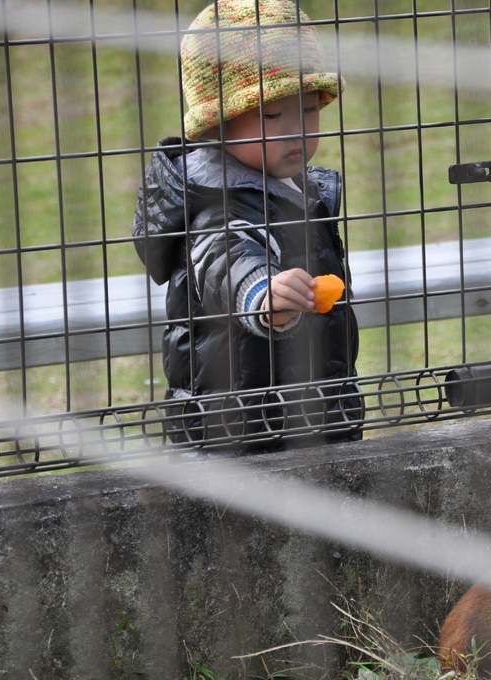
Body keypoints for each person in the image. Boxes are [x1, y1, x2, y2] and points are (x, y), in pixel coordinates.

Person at [133, 0, 361, 455]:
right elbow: (225, 256)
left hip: (307, 411)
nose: (296, 130)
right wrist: (263, 294)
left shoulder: (293, 187)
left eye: (309, 110)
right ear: (215, 124)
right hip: (240, 433)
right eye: (273, 116)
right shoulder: (216, 200)